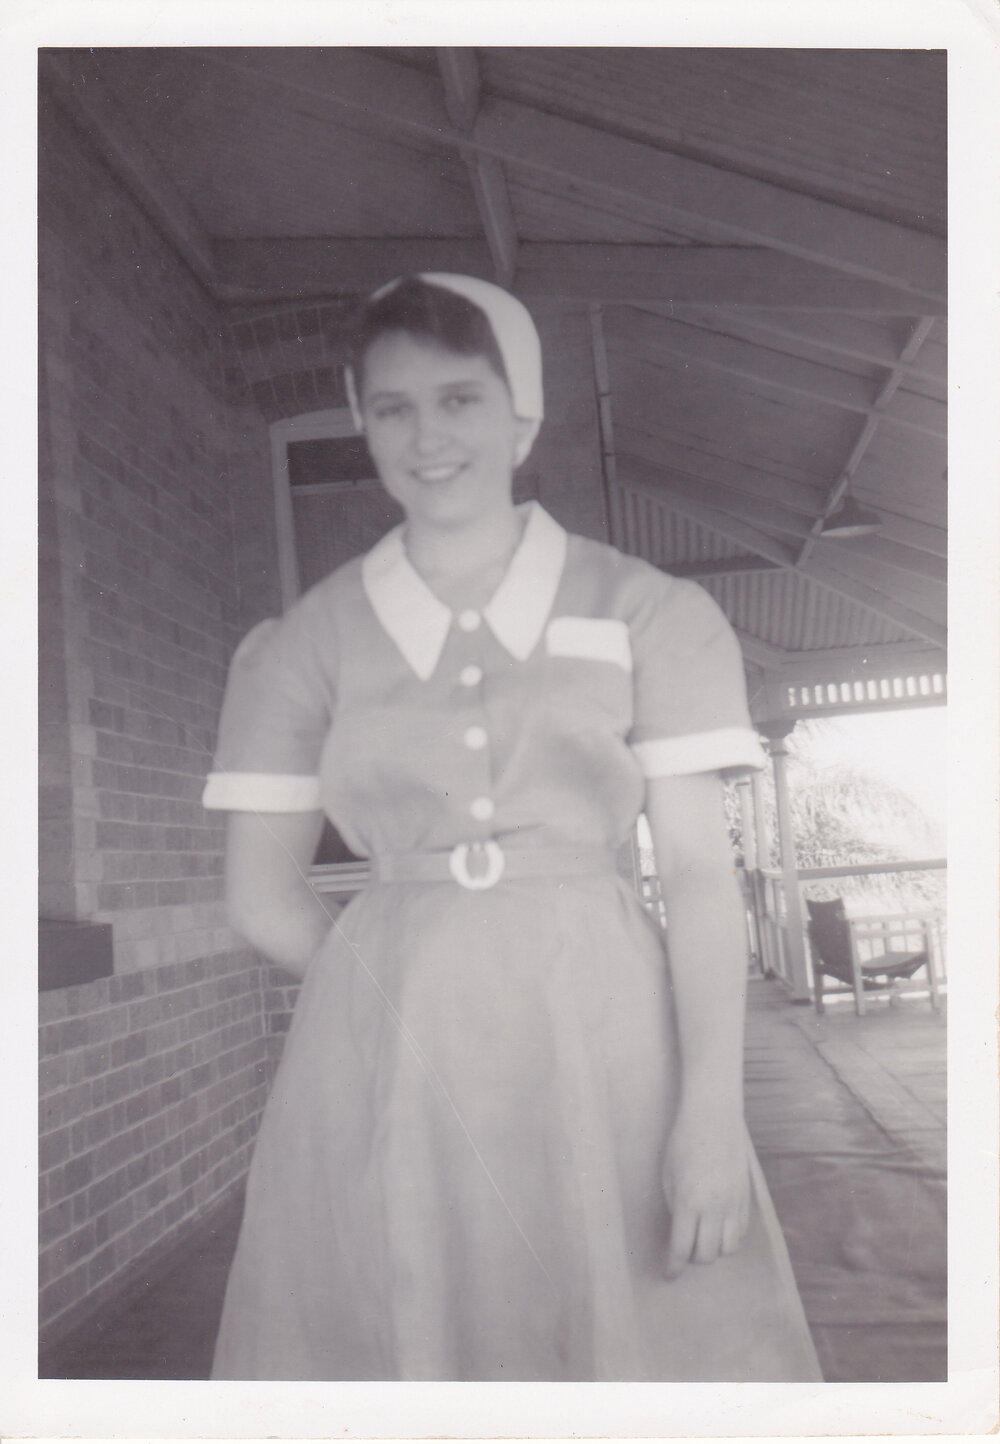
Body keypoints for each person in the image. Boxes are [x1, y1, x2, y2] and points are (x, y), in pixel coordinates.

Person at [202, 273, 821, 1382]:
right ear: (360, 420)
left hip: (609, 1046)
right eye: (392, 407)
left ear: (522, 416)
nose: (426, 435)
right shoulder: (301, 644)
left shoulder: (649, 611)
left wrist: (710, 1112)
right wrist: (393, 996)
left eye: (460, 400)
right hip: (387, 1068)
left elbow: (695, 872)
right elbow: (257, 894)